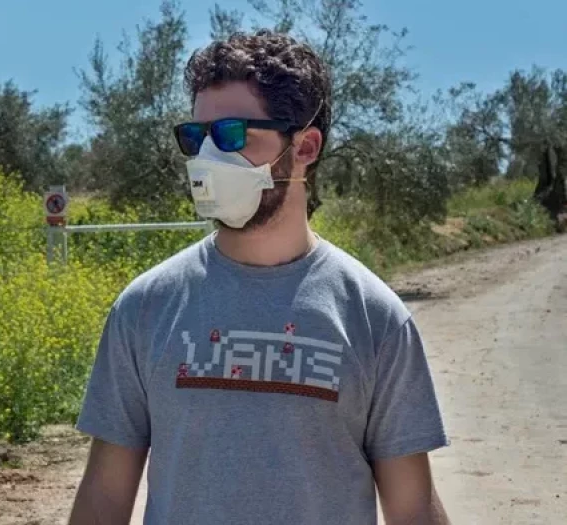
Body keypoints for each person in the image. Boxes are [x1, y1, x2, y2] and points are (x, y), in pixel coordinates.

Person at [68, 30, 450, 525]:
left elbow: (413, 506)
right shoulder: (145, 307)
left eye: (232, 135)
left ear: (306, 145)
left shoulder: (374, 316)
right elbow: (104, 493)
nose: (208, 158)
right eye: (196, 137)